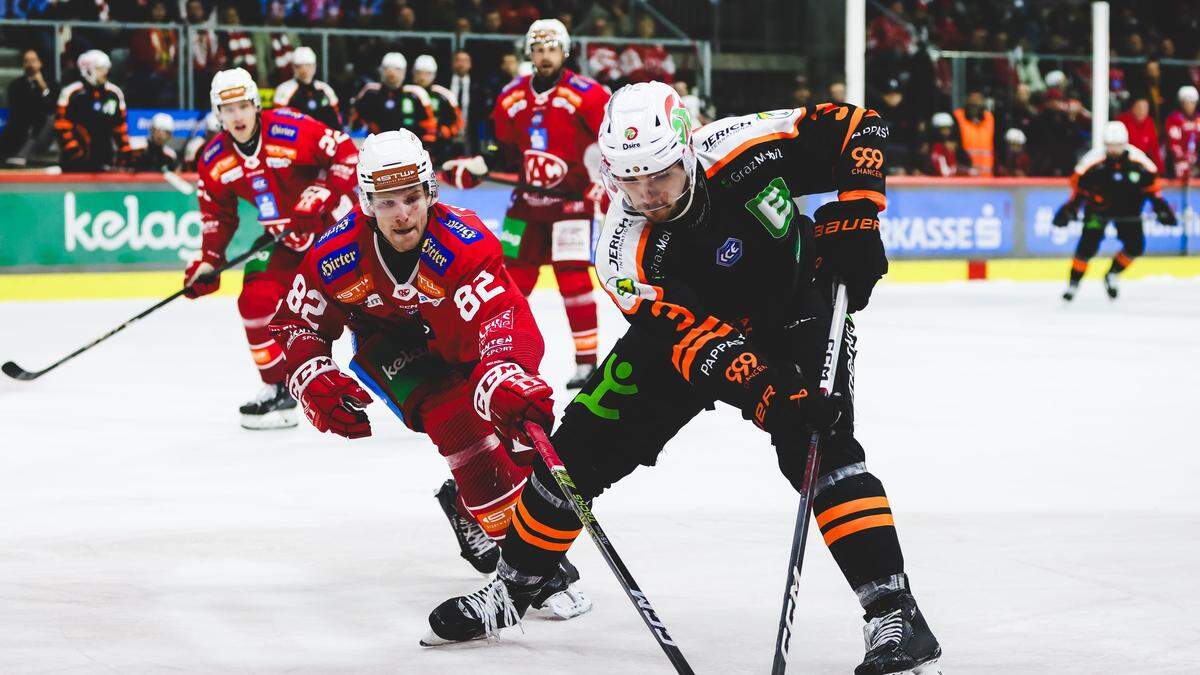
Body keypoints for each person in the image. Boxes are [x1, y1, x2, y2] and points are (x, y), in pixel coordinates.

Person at [425, 82, 943, 675]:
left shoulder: (741, 144)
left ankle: (894, 615)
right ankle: (513, 587)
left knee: (819, 448)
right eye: (630, 179)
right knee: (580, 446)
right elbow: (693, 344)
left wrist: (855, 210)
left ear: (686, 147)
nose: (648, 194)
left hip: (798, 307)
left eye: (661, 174)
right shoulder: (623, 250)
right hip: (688, 339)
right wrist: (766, 391)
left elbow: (860, 125)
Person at [267, 129, 590, 618]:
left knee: (516, 442)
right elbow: (296, 322)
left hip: (469, 345)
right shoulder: (334, 256)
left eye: (411, 198)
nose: (402, 213)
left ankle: (467, 507)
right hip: (395, 350)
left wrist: (505, 371)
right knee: (462, 433)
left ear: (430, 193)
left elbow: (502, 313)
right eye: (388, 201)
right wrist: (310, 375)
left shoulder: (463, 242)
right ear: (366, 202)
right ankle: (526, 561)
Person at [184, 68, 360, 429]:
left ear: (255, 106)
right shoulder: (215, 158)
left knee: (372, 309)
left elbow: (346, 153)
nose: (237, 116)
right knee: (255, 300)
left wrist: (323, 194)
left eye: (243, 106)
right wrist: (209, 261)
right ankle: (278, 387)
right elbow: (217, 215)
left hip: (337, 232)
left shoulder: (290, 128)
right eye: (227, 109)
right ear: (218, 114)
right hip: (285, 240)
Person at [442, 19, 611, 389]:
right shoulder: (511, 95)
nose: (545, 55)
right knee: (509, 283)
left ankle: (587, 363)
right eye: (538, 48)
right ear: (529, 52)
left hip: (571, 203)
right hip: (524, 205)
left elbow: (610, 144)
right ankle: (498, 356)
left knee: (574, 282)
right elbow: (503, 150)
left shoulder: (591, 94)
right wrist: (479, 166)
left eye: (552, 48)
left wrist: (606, 186)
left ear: (564, 51)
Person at [1053, 121, 1178, 302]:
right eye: (1110, 146)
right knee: (1086, 247)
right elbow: (1078, 190)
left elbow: (1152, 189)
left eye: (1118, 145)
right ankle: (1073, 283)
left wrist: (1161, 208)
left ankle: (1112, 273)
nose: (1114, 150)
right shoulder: (1091, 163)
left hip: (1128, 211)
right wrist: (1070, 209)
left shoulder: (1140, 163)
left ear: (1125, 143)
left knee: (1135, 247)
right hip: (1098, 210)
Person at [54, 50, 132, 172]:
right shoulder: (71, 93)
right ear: (88, 70)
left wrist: (125, 152)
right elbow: (61, 125)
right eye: (101, 69)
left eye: (106, 68)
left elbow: (120, 126)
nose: (105, 72)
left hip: (105, 157)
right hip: (74, 160)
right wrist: (74, 151)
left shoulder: (114, 94)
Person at [351, 52, 438, 143]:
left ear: (404, 71)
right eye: (387, 69)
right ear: (381, 70)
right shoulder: (369, 92)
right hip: (376, 146)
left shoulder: (416, 94)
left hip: (408, 148)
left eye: (397, 69)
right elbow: (355, 120)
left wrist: (425, 149)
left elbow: (429, 126)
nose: (392, 74)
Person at [0, 48, 55, 167]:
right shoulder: (15, 85)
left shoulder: (51, 84)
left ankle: (26, 156)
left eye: (33, 60)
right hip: (21, 128)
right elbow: (18, 110)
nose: (30, 64)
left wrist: (43, 87)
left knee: (51, 120)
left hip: (41, 130)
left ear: (40, 63)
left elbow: (52, 107)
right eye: (26, 61)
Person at [273, 46, 343, 131]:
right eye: (299, 66)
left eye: (308, 65)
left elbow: (337, 119)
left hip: (322, 137)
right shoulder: (284, 89)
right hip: (295, 137)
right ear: (293, 67)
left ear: (314, 66)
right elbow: (278, 122)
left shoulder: (325, 89)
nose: (304, 70)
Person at [411, 54, 463, 164]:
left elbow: (458, 121)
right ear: (413, 73)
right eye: (419, 72)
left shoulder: (444, 95)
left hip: (439, 147)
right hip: (410, 145)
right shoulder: (406, 93)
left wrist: (446, 131)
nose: (422, 77)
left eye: (427, 73)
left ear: (434, 74)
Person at [952, 89, 995, 176]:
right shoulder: (958, 117)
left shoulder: (989, 119)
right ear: (966, 102)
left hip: (986, 178)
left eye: (977, 106)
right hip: (965, 177)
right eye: (972, 105)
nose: (975, 109)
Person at [1165, 85, 1199, 179]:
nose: (1189, 105)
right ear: (1181, 103)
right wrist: (1185, 160)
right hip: (1178, 163)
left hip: (1196, 163)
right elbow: (1174, 145)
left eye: (1192, 102)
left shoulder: (1198, 119)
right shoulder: (1174, 119)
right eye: (1186, 102)